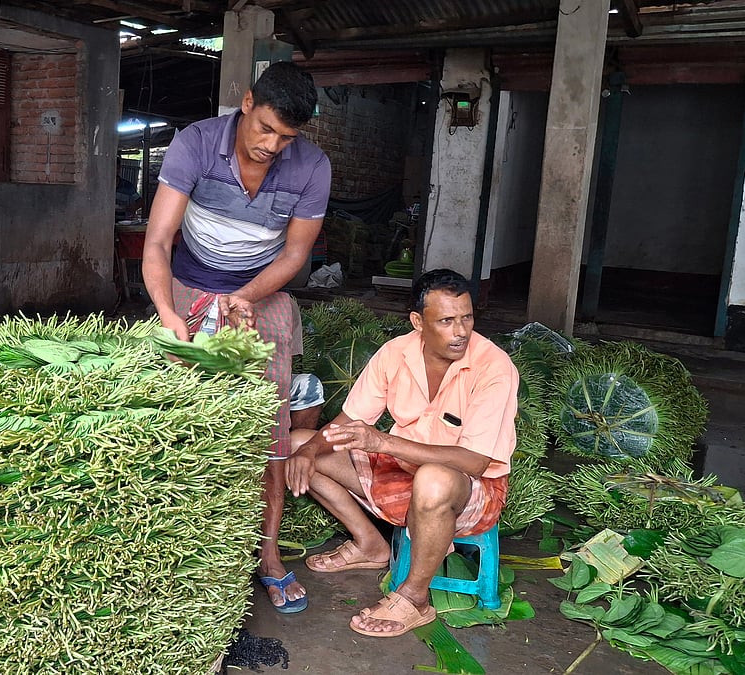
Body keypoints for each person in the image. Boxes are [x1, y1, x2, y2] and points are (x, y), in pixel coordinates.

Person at [141, 61, 331, 614]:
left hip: (263, 291)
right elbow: (157, 242)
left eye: (286, 137)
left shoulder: (312, 167)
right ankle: (174, 549)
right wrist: (166, 312)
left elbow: (296, 253)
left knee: (268, 427)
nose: (272, 145)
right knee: (176, 418)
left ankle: (268, 554)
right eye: (265, 128)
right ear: (247, 102)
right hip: (186, 283)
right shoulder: (195, 144)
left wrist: (246, 297)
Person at [285, 269, 518, 637]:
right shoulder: (396, 353)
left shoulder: (493, 366)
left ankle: (414, 598)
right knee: (298, 444)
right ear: (417, 321)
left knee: (434, 478)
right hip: (398, 475)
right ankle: (369, 544)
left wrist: (383, 443)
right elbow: (350, 420)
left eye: (467, 317)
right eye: (446, 321)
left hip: (468, 490)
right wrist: (310, 449)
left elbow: (474, 462)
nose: (460, 331)